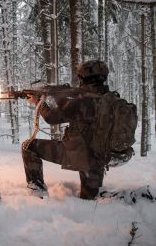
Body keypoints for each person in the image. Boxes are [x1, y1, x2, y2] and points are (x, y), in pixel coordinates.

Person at [22, 60, 110, 200]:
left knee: (28, 146)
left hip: (79, 153)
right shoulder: (110, 99)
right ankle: (125, 200)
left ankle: (36, 190)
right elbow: (72, 111)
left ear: (83, 78)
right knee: (90, 199)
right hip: (100, 157)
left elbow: (52, 118)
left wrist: (39, 102)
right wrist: (60, 96)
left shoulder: (82, 102)